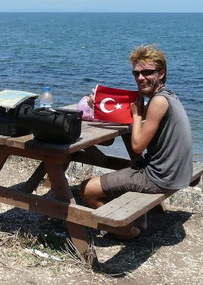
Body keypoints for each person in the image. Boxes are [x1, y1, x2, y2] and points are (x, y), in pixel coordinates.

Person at [80, 44, 193, 239]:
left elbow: (137, 146)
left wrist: (137, 115)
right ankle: (138, 218)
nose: (140, 78)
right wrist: (97, 101)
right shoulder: (168, 97)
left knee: (86, 189)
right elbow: (124, 108)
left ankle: (126, 230)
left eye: (147, 72)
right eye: (136, 74)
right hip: (175, 173)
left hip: (160, 177)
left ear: (162, 73)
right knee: (130, 165)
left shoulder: (158, 102)